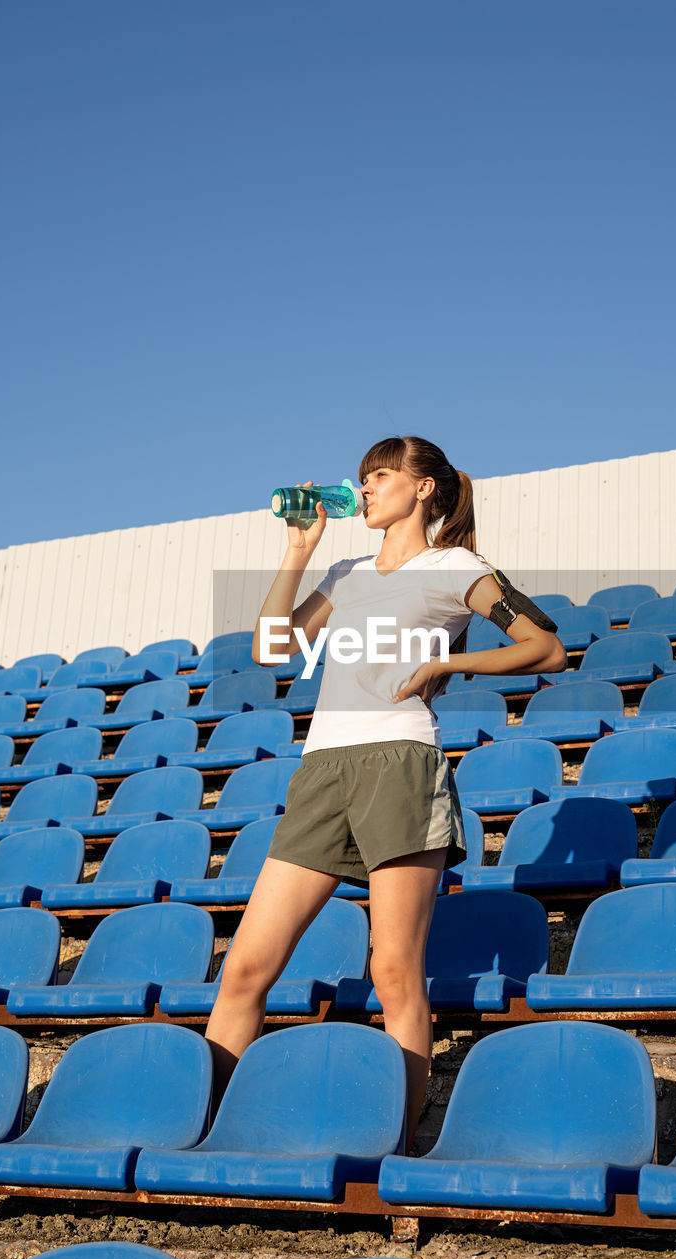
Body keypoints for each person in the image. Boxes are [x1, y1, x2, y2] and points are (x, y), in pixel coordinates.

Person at [204, 436, 566, 1144]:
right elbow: (270, 649)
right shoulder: (345, 571)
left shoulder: (456, 566)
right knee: (246, 966)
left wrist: (450, 661)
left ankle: (397, 1152)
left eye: (379, 476)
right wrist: (299, 549)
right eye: (364, 478)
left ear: (424, 488)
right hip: (323, 770)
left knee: (394, 969)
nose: (364, 489)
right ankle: (215, 1131)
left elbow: (544, 645)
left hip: (400, 762)